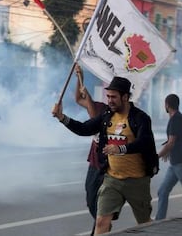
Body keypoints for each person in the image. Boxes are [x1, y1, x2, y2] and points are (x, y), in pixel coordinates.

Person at [52, 76, 158, 235]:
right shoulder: (107, 116)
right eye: (108, 96)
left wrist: (120, 149)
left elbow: (144, 142)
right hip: (112, 180)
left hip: (137, 180)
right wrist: (62, 118)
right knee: (101, 221)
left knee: (144, 223)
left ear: (125, 97)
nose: (110, 100)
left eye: (114, 97)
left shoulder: (140, 118)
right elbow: (84, 129)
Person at [74, 64, 108, 235]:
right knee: (90, 197)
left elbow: (95, 118)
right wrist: (79, 79)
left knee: (100, 202)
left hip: (106, 166)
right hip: (93, 163)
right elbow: (78, 100)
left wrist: (89, 99)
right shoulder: (99, 106)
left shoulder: (110, 114)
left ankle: (100, 227)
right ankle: (101, 224)